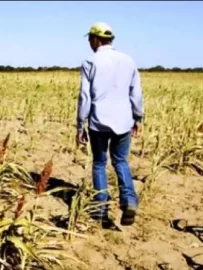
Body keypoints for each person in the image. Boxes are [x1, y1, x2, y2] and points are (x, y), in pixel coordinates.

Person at [76, 22, 144, 227]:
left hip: (98, 122)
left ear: (97, 39)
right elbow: (136, 93)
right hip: (123, 121)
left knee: (99, 163)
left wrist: (80, 124)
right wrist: (138, 117)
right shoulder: (128, 60)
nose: (89, 42)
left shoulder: (90, 61)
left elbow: (85, 97)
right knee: (120, 161)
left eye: (90, 39)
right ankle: (129, 201)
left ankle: (101, 208)